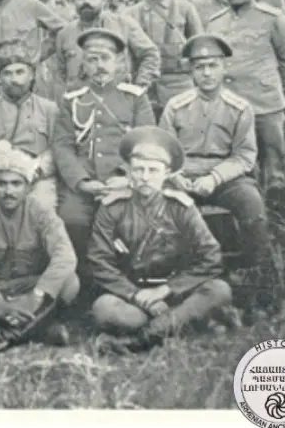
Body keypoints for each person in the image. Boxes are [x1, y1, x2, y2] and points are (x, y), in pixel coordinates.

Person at [88, 126, 232, 353]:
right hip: (133, 298)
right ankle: (176, 325)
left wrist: (166, 290)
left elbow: (211, 257)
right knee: (104, 308)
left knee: (219, 290)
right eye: (139, 170)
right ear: (129, 172)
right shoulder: (112, 208)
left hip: (176, 294)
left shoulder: (181, 207)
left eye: (153, 170)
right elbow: (100, 262)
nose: (145, 177)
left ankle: (142, 338)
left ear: (167, 173)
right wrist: (136, 295)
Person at [159, 34, 276, 284]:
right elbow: (163, 152)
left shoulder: (240, 107)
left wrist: (214, 178)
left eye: (213, 65)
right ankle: (170, 272)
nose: (207, 73)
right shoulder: (175, 106)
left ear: (224, 67)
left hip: (225, 177)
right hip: (183, 176)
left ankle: (254, 274)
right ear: (191, 71)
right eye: (199, 67)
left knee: (252, 206)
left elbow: (244, 155)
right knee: (159, 210)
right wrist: (175, 176)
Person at [0, 141, 79, 346]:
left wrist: (37, 295)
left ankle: (1, 332)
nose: (8, 191)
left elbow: (65, 255)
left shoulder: (41, 212)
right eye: (2, 184)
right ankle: (37, 329)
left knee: (70, 283)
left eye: (16, 184)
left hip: (30, 286)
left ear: (28, 187)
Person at [53, 28, 155, 276]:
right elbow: (63, 145)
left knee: (130, 223)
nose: (99, 65)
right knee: (72, 220)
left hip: (125, 181)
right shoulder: (72, 100)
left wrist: (126, 177)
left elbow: (147, 142)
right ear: (83, 64)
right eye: (92, 59)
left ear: (118, 61)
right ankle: (84, 282)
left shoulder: (135, 98)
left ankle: (125, 278)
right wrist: (82, 182)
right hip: (84, 184)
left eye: (106, 58)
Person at [206, 0, 285, 201]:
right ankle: (245, 213)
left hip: (265, 106)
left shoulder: (272, 18)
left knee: (273, 166)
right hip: (229, 109)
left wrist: (278, 96)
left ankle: (278, 215)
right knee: (236, 167)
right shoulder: (214, 23)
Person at [43, 0, 160, 101]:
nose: (86, 1)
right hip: (80, 104)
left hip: (119, 102)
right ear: (73, 0)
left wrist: (139, 86)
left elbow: (150, 54)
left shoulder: (124, 24)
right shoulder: (64, 34)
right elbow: (61, 74)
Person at [0, 45, 60, 211]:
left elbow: (57, 148)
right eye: (7, 73)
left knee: (42, 207)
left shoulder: (49, 109)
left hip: (38, 178)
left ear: (31, 75)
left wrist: (36, 171)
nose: (14, 79)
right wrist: (1, 172)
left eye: (20, 72)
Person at [125, 0, 204, 118]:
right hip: (145, 89)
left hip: (181, 87)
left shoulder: (185, 9)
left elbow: (200, 50)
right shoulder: (130, 14)